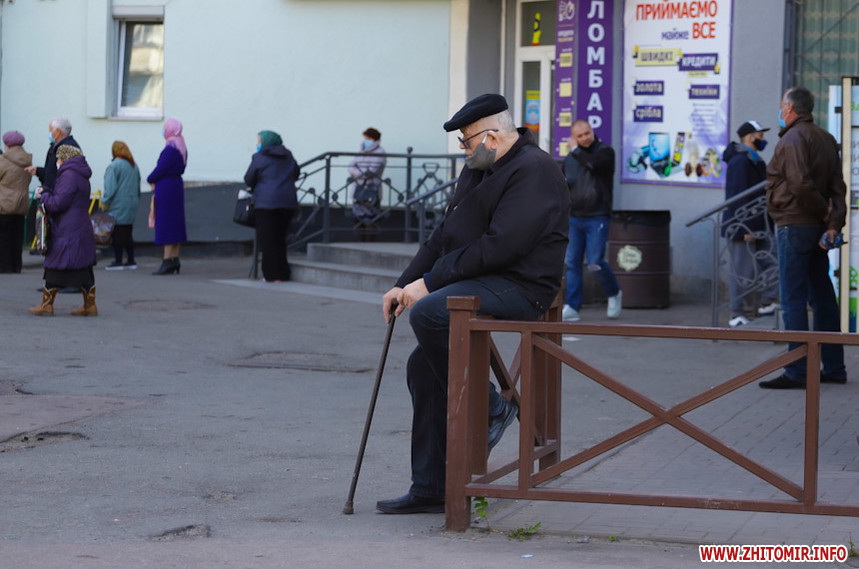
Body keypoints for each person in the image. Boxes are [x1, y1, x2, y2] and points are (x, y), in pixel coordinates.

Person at [375, 94, 569, 514]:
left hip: (525, 285)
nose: (463, 149)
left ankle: (492, 409)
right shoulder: (480, 168)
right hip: (484, 278)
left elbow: (501, 246)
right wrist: (403, 284)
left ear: (491, 137)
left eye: (465, 141)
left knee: (430, 312)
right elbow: (444, 235)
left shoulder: (535, 170)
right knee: (422, 365)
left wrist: (429, 284)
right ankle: (431, 487)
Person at [759, 86, 847, 389]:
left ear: (789, 108)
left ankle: (797, 371)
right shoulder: (825, 138)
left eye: (782, 105)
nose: (780, 110)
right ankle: (834, 367)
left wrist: (824, 215)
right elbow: (838, 188)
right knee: (823, 298)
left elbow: (799, 184)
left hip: (795, 225)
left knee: (793, 299)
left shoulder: (793, 138)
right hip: (816, 230)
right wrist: (833, 224)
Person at [561, 119, 622, 322]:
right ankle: (572, 306)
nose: (585, 137)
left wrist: (575, 150)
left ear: (592, 131)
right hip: (574, 217)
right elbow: (564, 182)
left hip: (597, 216)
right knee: (572, 263)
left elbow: (593, 164)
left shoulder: (605, 152)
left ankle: (614, 293)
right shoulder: (571, 157)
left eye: (587, 133)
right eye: (580, 136)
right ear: (574, 137)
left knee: (595, 262)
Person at [28, 145, 98, 316]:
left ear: (65, 158)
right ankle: (89, 305)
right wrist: (48, 191)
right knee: (83, 267)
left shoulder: (69, 174)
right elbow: (65, 195)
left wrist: (43, 197)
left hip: (67, 228)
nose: (57, 162)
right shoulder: (80, 173)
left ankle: (46, 305)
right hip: (80, 225)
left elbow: (59, 203)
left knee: (55, 265)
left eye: (59, 158)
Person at [721, 120, 779, 328]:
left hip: (761, 225)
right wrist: (743, 228)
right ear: (748, 137)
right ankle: (737, 313)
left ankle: (767, 302)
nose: (763, 139)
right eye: (760, 135)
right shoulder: (740, 162)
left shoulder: (755, 160)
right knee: (742, 272)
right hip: (743, 227)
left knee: (774, 263)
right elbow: (737, 196)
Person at [243, 130, 300, 282]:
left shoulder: (259, 157)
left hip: (266, 204)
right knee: (280, 239)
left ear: (266, 142)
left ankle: (272, 275)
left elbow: (249, 178)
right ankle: (283, 273)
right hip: (287, 203)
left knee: (267, 240)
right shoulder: (288, 156)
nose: (257, 144)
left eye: (259, 141)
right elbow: (296, 173)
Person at [24, 118, 80, 249]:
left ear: (58, 131)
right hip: (53, 198)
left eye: (50, 130)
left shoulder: (67, 148)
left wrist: (47, 195)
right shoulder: (57, 146)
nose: (49, 133)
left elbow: (64, 178)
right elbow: (53, 173)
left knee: (57, 243)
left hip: (58, 202)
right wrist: (38, 171)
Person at [147, 118, 188, 275]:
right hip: (176, 187)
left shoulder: (170, 149)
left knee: (166, 223)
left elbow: (160, 168)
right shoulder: (181, 146)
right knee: (175, 223)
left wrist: (150, 179)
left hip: (166, 189)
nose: (163, 130)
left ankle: (167, 260)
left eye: (165, 128)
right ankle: (174, 259)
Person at [102, 141, 141, 270]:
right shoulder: (133, 166)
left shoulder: (114, 166)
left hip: (118, 204)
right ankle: (131, 260)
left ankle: (118, 261)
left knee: (117, 233)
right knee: (128, 232)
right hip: (132, 203)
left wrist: (105, 202)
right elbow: (138, 186)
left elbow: (110, 188)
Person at [0, 131, 33, 273]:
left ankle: (5, 266)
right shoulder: (27, 160)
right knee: (17, 236)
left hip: (4, 203)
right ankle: (16, 265)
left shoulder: (3, 160)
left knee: (4, 237)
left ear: (6, 144)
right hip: (22, 203)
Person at [348, 127, 386, 237]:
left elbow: (371, 171)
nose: (366, 140)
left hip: (371, 188)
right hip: (359, 188)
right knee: (358, 215)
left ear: (374, 139)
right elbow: (351, 165)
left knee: (371, 216)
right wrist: (355, 172)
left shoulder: (380, 153)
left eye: (368, 138)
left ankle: (370, 240)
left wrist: (356, 173)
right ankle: (360, 240)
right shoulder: (362, 151)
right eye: (365, 138)